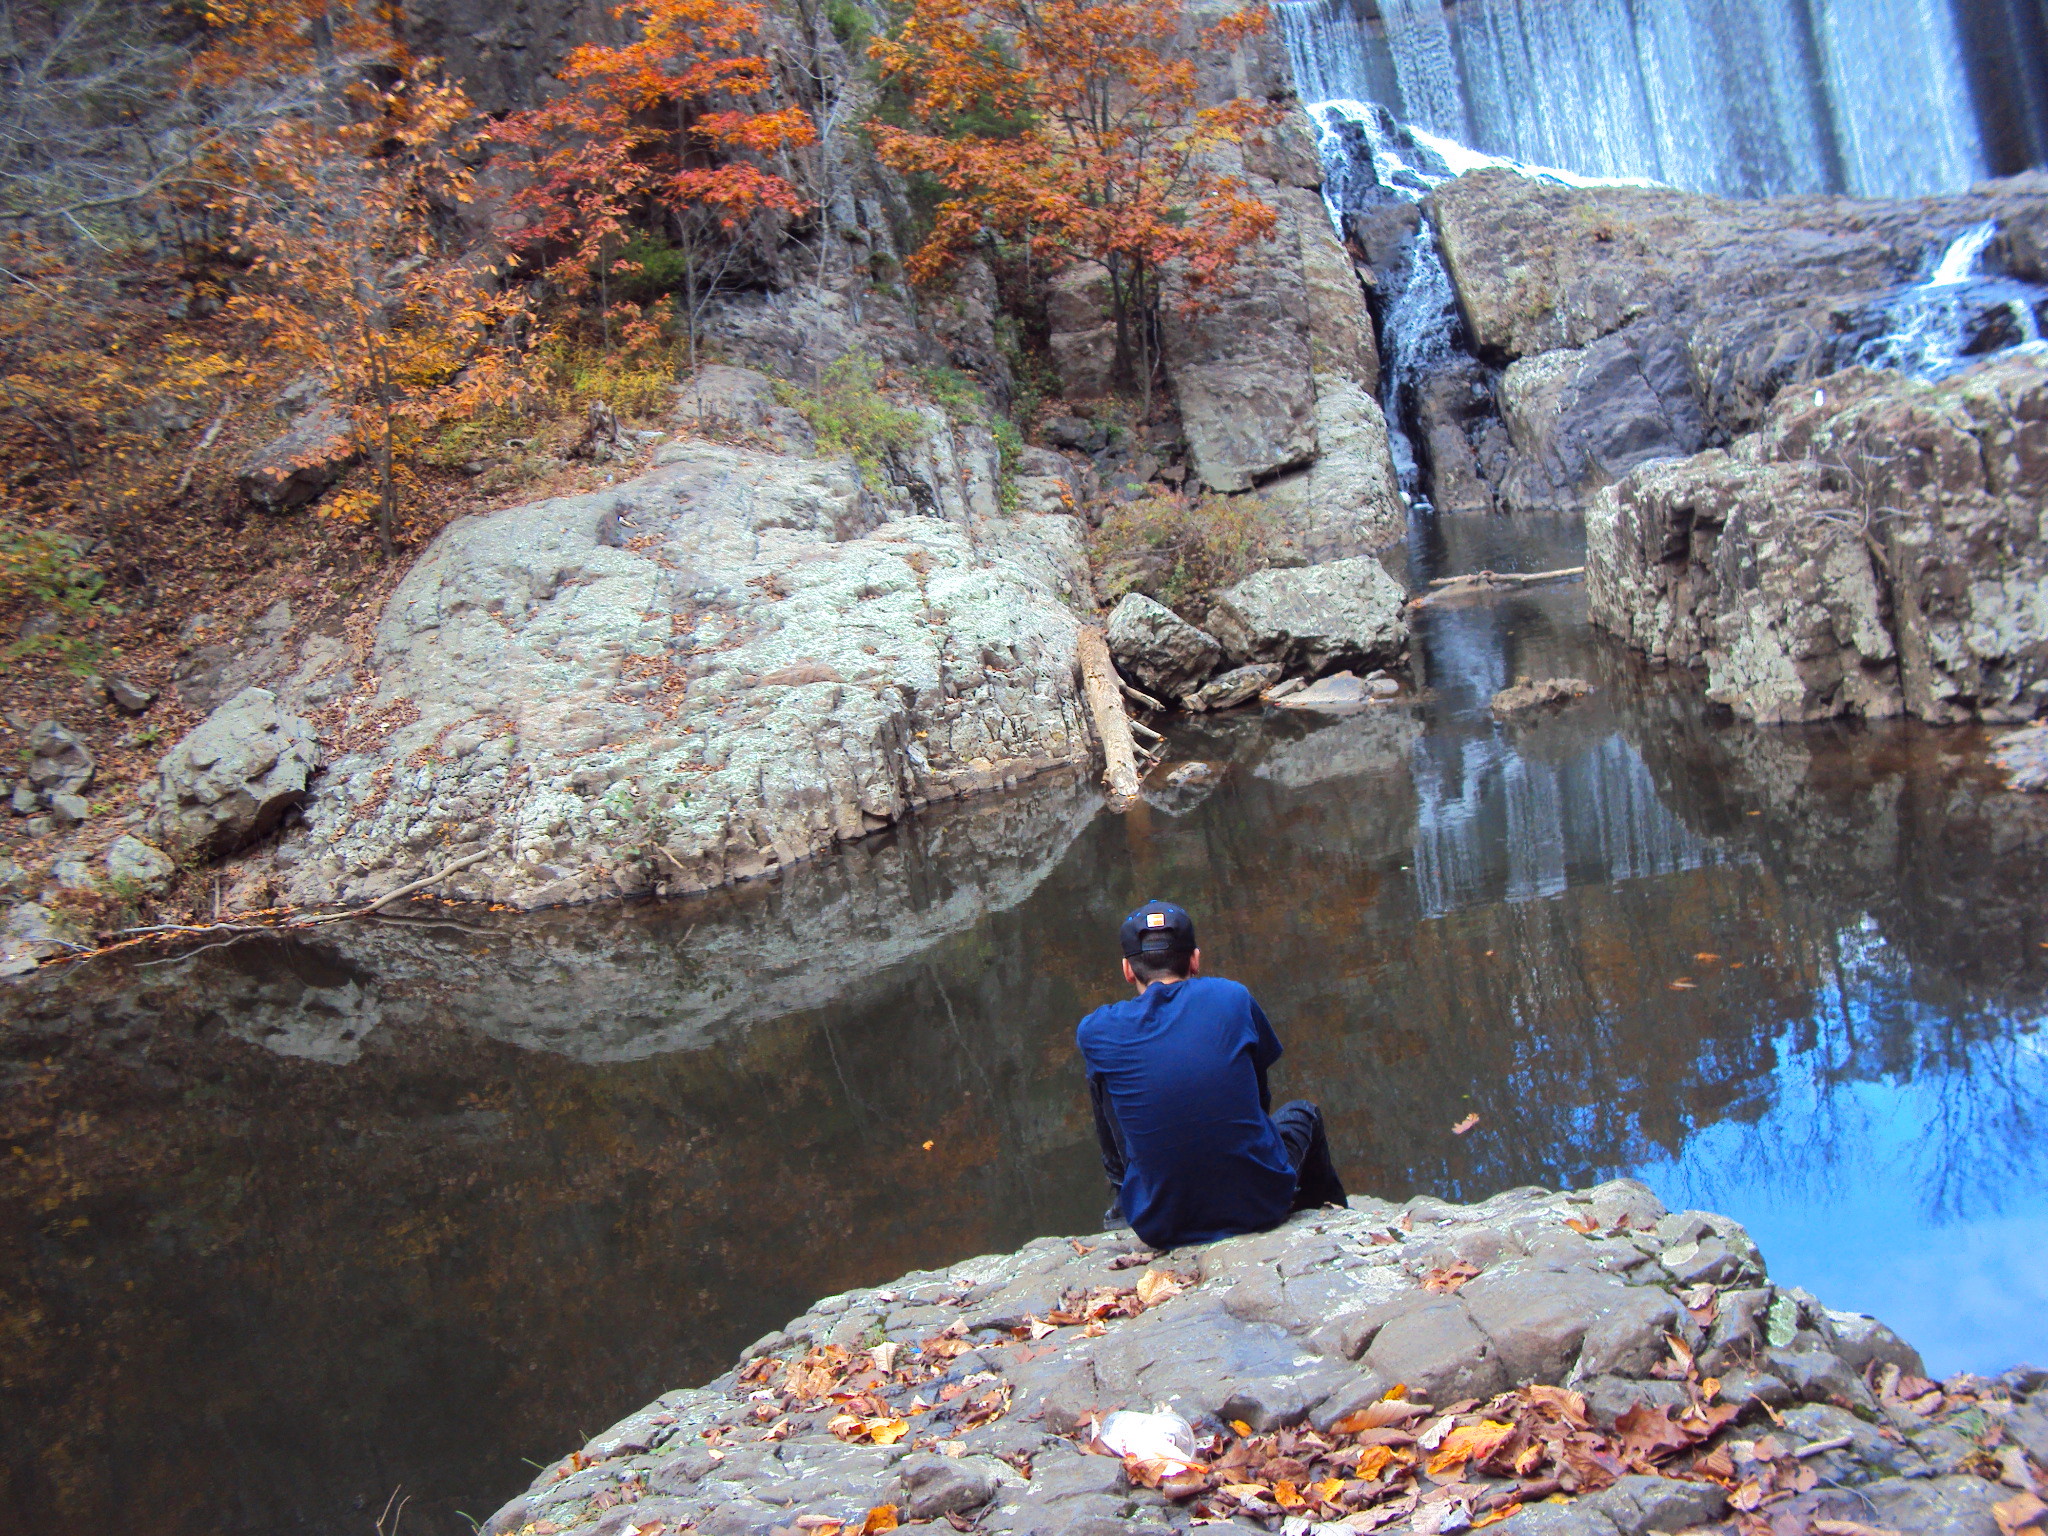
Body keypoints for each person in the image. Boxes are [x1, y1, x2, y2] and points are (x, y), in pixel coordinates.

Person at [1076, 898, 1347, 1251]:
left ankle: (1121, 1206)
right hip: (1261, 1205)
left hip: (1158, 1222)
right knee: (1303, 1114)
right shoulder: (1231, 997)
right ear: (1195, 960)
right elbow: (1258, 1097)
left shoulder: (1097, 1029)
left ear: (1128, 970)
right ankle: (1330, 1228)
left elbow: (1116, 1126)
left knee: (1107, 1079)